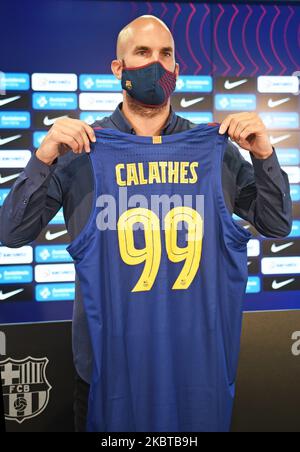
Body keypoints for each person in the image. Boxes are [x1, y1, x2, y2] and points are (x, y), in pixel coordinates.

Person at [0, 15, 292, 431]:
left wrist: (263, 155)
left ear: (177, 70)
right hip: (108, 373)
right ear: (118, 68)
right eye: (142, 53)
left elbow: (278, 225)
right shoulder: (81, 150)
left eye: (165, 55)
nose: (155, 64)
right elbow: (11, 233)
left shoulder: (215, 152)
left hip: (195, 372)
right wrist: (43, 156)